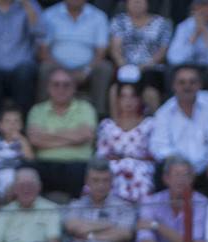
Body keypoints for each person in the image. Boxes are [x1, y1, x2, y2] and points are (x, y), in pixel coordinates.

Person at [150, 64, 208, 197]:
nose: (187, 87)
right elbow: (159, 145)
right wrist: (181, 167)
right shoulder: (164, 112)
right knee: (161, 170)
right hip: (178, 170)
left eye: (192, 82)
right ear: (174, 86)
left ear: (199, 85)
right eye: (182, 82)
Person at [134, 156, 208, 242]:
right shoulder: (151, 201)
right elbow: (143, 237)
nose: (181, 180)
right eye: (177, 175)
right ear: (166, 178)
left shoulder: (201, 203)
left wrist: (156, 225)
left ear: (192, 179)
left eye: (186, 175)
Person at [27, 66, 96, 196]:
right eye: (56, 85)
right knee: (28, 172)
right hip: (45, 165)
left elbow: (85, 135)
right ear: (48, 88)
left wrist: (48, 135)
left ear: (74, 88)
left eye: (66, 85)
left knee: (84, 172)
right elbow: (35, 140)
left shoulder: (86, 108)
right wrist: (72, 136)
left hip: (78, 165)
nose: (61, 89)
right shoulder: (37, 110)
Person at [38, 0, 112, 113]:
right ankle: (41, 113)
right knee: (45, 68)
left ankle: (99, 114)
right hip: (57, 66)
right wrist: (62, 72)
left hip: (87, 68)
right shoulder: (49, 15)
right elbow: (43, 51)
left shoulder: (98, 16)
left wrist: (86, 71)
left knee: (104, 68)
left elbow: (101, 52)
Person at [96, 80, 156, 203]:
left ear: (139, 99)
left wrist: (130, 159)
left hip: (142, 171)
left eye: (132, 96)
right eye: (123, 96)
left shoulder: (150, 124)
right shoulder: (107, 125)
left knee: (140, 176)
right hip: (113, 170)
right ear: (117, 100)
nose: (128, 101)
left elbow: (154, 154)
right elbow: (101, 156)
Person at [109, 0, 170, 114]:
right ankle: (116, 127)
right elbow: (115, 49)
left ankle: (154, 123)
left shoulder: (162, 23)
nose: (137, 3)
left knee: (150, 91)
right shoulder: (119, 21)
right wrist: (125, 66)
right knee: (114, 90)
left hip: (151, 68)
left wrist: (143, 67)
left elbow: (163, 51)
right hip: (125, 66)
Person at [64, 158, 135, 242]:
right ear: (87, 182)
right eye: (95, 180)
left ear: (112, 182)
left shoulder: (124, 207)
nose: (101, 185)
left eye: (105, 180)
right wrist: (110, 224)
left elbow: (124, 234)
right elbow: (73, 227)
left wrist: (90, 236)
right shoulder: (76, 205)